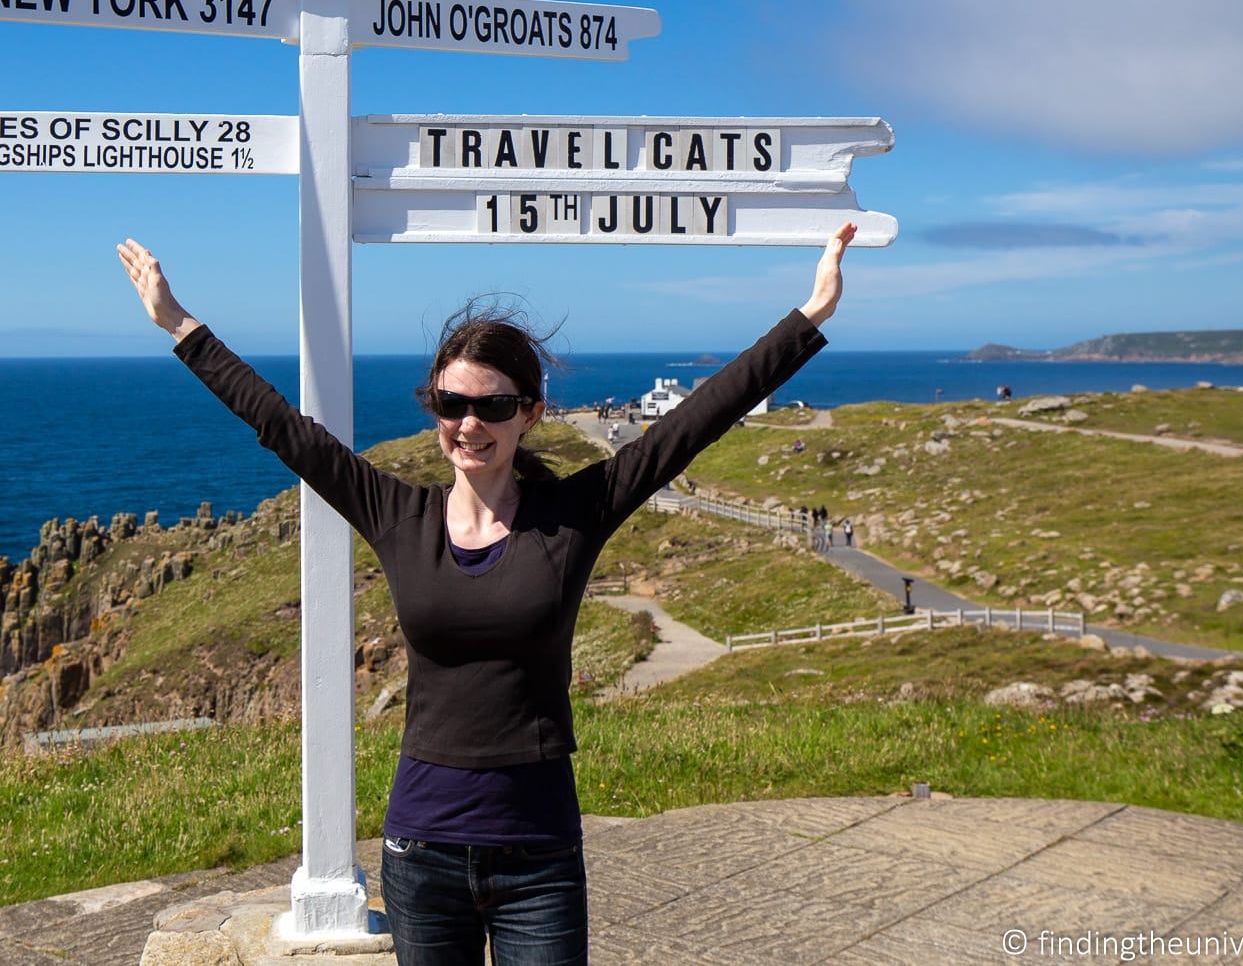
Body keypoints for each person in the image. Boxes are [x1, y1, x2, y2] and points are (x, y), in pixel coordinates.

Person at [114, 223, 856, 965]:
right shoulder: (397, 515)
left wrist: (811, 313)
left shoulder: (572, 515)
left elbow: (695, 422)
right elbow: (283, 428)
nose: (469, 424)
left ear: (530, 411)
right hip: (422, 853)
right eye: (450, 403)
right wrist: (179, 323)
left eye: (493, 407)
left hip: (539, 858)